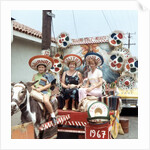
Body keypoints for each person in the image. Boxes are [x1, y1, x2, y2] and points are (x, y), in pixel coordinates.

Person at [29, 55, 57, 125]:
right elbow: (32, 84)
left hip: (46, 91)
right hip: (36, 91)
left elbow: (49, 85)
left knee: (46, 101)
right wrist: (34, 88)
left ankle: (53, 116)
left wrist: (41, 89)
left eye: (42, 67)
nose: (41, 68)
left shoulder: (48, 75)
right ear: (37, 68)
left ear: (45, 68)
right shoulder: (35, 75)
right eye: (39, 67)